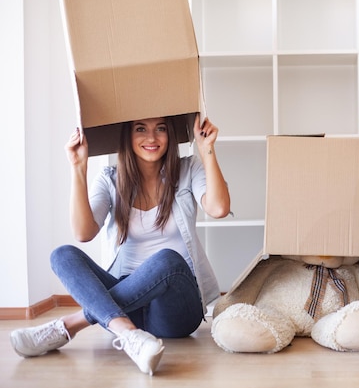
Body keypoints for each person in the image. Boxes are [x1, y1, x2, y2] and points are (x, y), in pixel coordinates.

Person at [10, 114, 231, 375]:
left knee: (166, 259)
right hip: (128, 309)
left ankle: (70, 325)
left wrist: (207, 151)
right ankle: (129, 334)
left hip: (176, 306)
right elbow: (83, 232)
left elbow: (218, 208)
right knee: (62, 255)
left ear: (170, 134)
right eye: (141, 129)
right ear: (127, 135)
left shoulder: (188, 169)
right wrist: (78, 168)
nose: (151, 137)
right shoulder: (109, 179)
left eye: (160, 128)